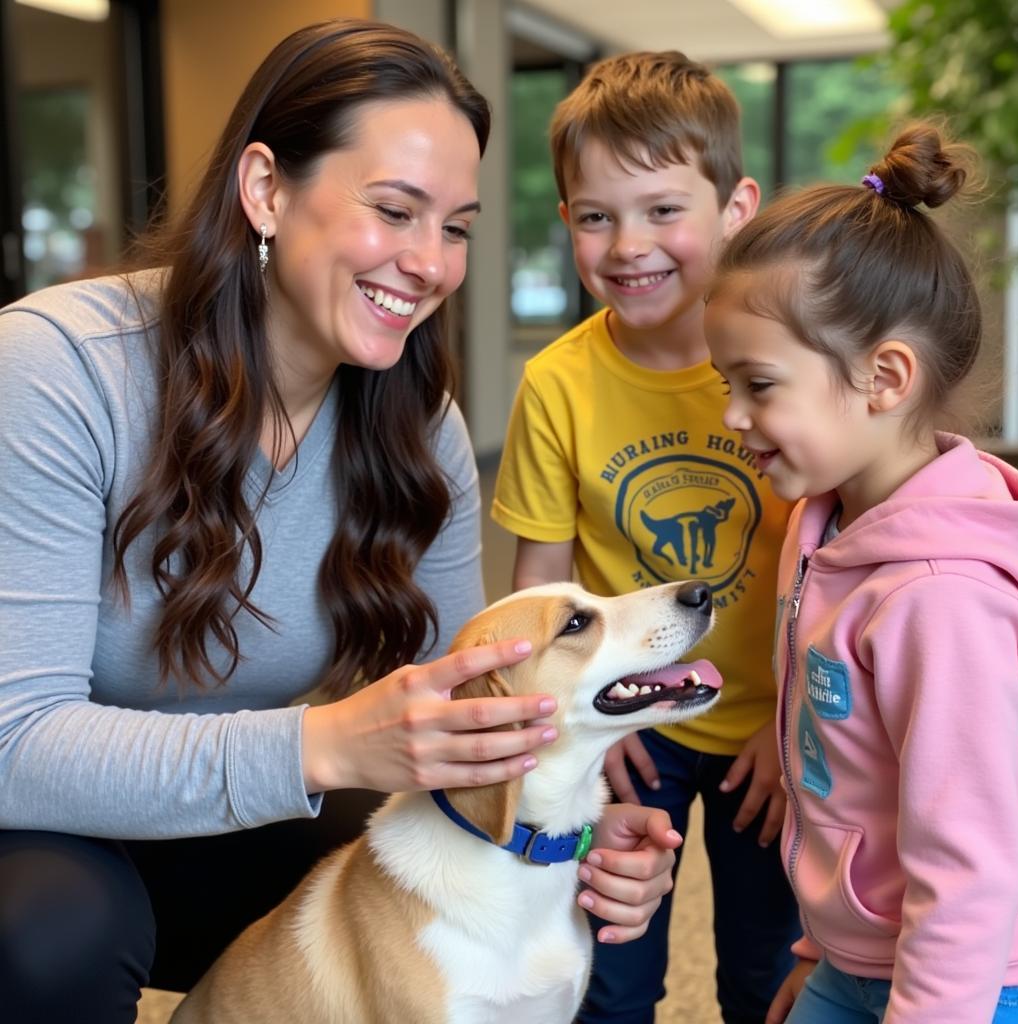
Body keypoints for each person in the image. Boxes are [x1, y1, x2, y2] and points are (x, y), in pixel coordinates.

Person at [0, 20, 683, 1023]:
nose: (429, 263)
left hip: (225, 812)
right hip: (36, 825)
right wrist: (321, 746)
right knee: (52, 933)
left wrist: (569, 833)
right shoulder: (57, 368)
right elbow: (15, 745)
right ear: (266, 188)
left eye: (454, 226)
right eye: (395, 210)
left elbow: (471, 702)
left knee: (478, 887)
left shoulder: (415, 421)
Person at [491, 50, 801, 1024]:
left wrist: (798, 727)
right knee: (606, 978)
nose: (628, 244)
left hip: (774, 723)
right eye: (595, 215)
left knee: (767, 970)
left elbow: (831, 560)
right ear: (567, 223)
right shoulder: (555, 382)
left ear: (734, 206)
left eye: (663, 209)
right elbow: (538, 591)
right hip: (629, 720)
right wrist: (582, 716)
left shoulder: (784, 364)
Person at [706, 122, 1018, 1023]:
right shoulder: (825, 523)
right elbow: (843, 776)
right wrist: (823, 952)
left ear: (884, 377)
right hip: (859, 958)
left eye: (758, 384)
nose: (732, 415)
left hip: (963, 988)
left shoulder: (939, 598)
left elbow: (967, 869)